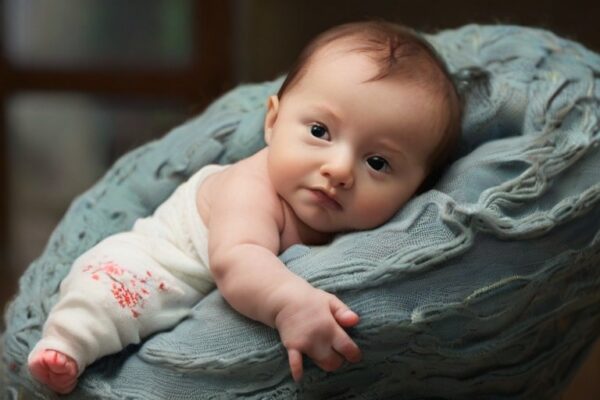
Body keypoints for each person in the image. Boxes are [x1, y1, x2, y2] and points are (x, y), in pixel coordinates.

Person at [28, 20, 462, 394]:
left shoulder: (369, 224)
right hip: (161, 266)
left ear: (417, 188)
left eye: (378, 162)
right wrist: (291, 303)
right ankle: (64, 344)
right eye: (319, 130)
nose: (340, 169)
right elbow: (238, 260)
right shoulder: (250, 185)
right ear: (273, 121)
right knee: (109, 294)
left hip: (207, 298)